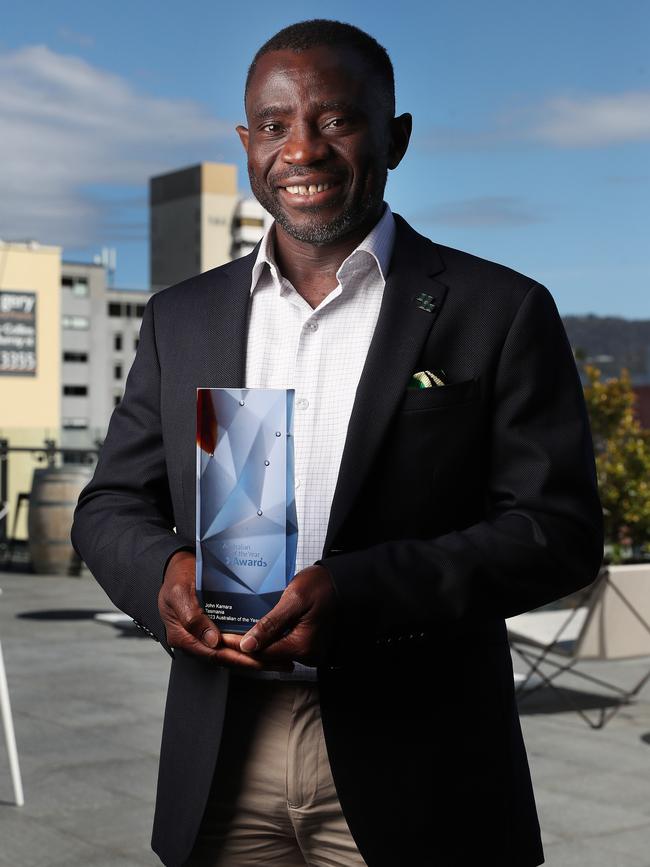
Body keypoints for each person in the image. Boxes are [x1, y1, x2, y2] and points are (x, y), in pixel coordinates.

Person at [71, 19, 603, 867]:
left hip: (419, 761)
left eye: (336, 120)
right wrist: (161, 573)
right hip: (223, 753)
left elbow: (558, 530)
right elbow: (110, 503)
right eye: (275, 125)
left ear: (395, 138)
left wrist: (368, 593)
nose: (302, 151)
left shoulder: (497, 309)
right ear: (247, 144)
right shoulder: (183, 315)